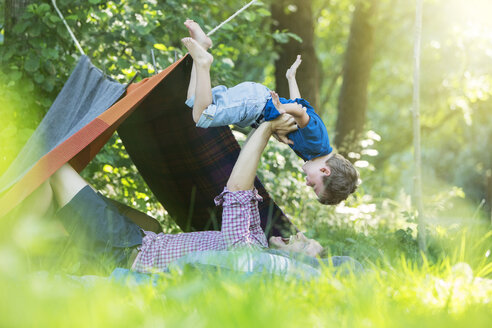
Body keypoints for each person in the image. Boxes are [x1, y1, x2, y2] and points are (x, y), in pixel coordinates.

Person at [19, 114, 324, 273]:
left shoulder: (250, 252)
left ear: (295, 264)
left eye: (305, 245)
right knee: (148, 223)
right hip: (144, 238)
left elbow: (237, 192)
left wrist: (267, 129)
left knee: (53, 166)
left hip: (125, 251)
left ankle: (14, 248)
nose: (300, 235)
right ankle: (51, 228)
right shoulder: (254, 241)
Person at [182, 19, 358, 205]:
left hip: (255, 102)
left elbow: (298, 104)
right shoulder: (318, 143)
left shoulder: (314, 152)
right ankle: (204, 61)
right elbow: (299, 111)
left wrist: (291, 79)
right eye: (314, 186)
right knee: (202, 116)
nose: (307, 183)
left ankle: (202, 46)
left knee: (195, 102)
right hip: (255, 105)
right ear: (325, 171)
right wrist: (281, 109)